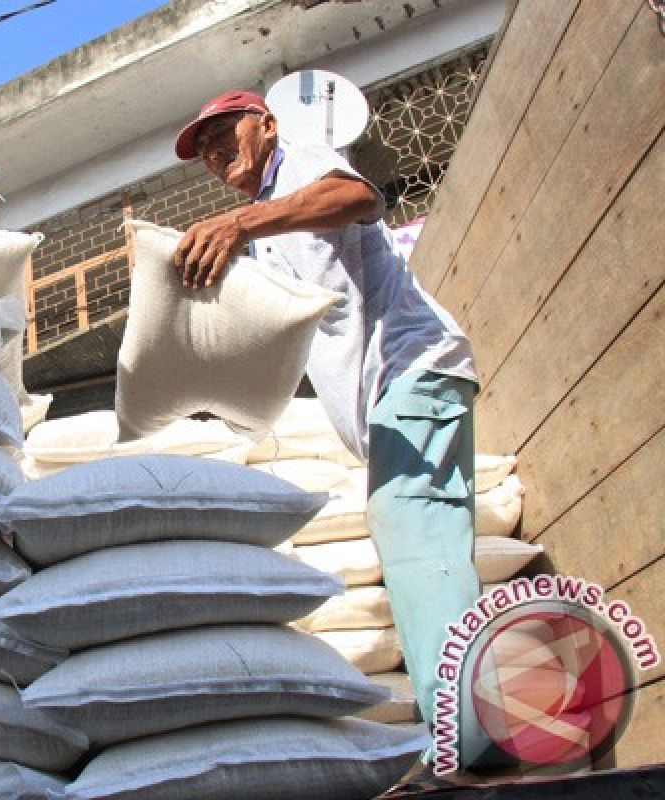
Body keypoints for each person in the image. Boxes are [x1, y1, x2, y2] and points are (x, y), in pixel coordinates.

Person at [173, 90, 482, 780]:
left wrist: (243, 221)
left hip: (414, 368)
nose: (217, 152)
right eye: (205, 148)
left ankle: (467, 737)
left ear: (268, 125)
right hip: (389, 404)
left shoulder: (298, 166)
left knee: (415, 534)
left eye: (227, 132)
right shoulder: (260, 249)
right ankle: (468, 723)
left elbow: (358, 198)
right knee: (419, 540)